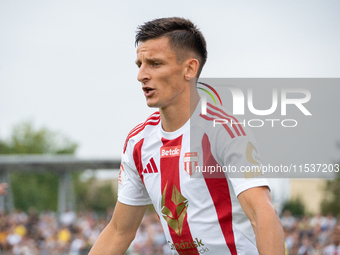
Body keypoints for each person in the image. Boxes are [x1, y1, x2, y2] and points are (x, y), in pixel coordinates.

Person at [89, 17, 285, 255]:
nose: (141, 75)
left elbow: (262, 214)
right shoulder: (137, 143)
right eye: (139, 64)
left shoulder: (225, 131)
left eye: (155, 63)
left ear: (189, 69)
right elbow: (119, 230)